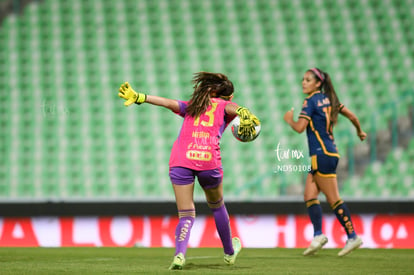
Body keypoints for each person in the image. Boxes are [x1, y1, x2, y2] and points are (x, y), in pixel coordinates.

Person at [118, 72, 260, 269]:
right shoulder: (224, 106)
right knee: (217, 205)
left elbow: (167, 103)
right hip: (207, 161)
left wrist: (141, 97)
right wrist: (243, 110)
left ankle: (179, 255)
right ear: (228, 96)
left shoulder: (194, 105)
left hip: (181, 160)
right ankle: (229, 252)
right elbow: (229, 107)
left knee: (186, 214)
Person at [283, 68, 367, 257]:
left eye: (307, 80)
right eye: (303, 79)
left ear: (318, 83)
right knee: (309, 195)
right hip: (328, 153)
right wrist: (360, 132)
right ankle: (318, 235)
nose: (303, 82)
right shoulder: (331, 100)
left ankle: (353, 236)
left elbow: (299, 128)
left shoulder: (311, 101)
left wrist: (289, 120)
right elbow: (353, 117)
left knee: (333, 199)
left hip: (322, 154)